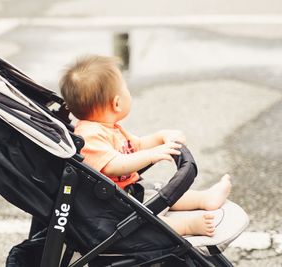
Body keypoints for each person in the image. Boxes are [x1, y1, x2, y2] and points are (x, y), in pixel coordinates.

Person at [60, 55, 232, 237]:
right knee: (149, 221)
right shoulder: (89, 135)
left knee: (162, 193)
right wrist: (152, 155)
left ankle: (206, 198)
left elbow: (138, 144)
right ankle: (188, 226)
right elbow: (113, 165)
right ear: (117, 103)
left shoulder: (110, 128)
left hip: (130, 194)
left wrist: (161, 137)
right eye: (125, 88)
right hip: (113, 207)